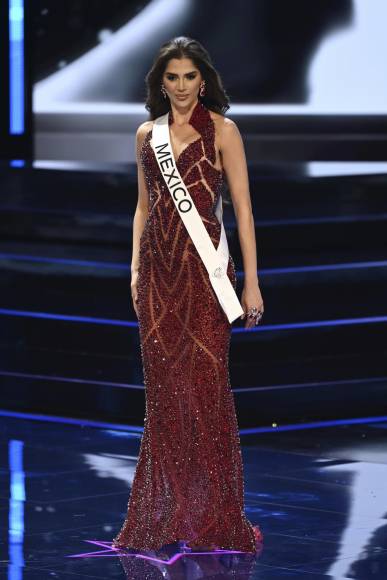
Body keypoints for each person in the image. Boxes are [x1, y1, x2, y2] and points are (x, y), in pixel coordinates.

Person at [112, 36, 264, 553]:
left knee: (206, 392)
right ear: (160, 82)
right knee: (164, 398)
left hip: (206, 277)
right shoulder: (145, 135)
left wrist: (253, 281)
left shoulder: (224, 131)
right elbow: (142, 208)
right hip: (157, 276)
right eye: (171, 77)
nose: (180, 86)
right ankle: (169, 515)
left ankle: (217, 517)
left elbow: (242, 210)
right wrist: (134, 270)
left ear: (204, 80)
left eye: (189, 77)